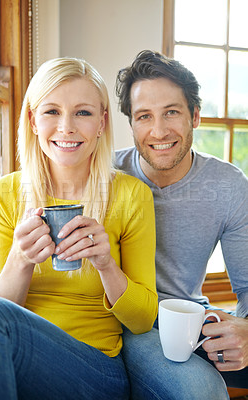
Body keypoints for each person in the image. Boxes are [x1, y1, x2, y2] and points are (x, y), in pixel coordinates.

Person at [0, 57, 158, 399]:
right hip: (20, 361)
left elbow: (142, 320)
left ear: (102, 123)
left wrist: (106, 264)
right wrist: (20, 260)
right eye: (51, 112)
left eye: (83, 112)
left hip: (95, 370)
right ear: (33, 120)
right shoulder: (4, 194)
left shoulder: (131, 195)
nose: (66, 127)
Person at [115, 50, 248, 400]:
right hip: (122, 319)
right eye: (144, 116)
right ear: (131, 125)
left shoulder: (229, 185)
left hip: (188, 317)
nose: (158, 131)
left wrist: (246, 330)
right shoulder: (107, 176)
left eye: (171, 112)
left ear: (196, 117)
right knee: (202, 392)